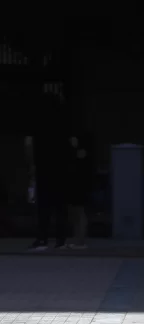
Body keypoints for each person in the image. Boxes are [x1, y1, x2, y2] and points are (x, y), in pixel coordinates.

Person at [26, 96, 71, 251]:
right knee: (60, 207)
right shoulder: (63, 123)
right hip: (60, 169)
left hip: (43, 168)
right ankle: (60, 240)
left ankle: (42, 238)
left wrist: (32, 165)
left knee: (43, 207)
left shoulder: (38, 123)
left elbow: (29, 143)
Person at [66, 134, 93, 249]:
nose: (72, 141)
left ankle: (81, 241)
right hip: (75, 186)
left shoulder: (81, 153)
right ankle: (77, 240)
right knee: (75, 214)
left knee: (80, 213)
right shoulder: (75, 153)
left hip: (80, 186)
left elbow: (82, 170)